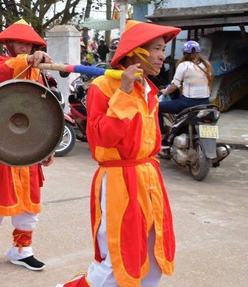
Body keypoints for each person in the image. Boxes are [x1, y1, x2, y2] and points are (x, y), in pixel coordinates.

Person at [58, 20, 179, 287]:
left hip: (149, 178)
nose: (163, 56)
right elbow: (102, 138)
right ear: (137, 52)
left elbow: (153, 141)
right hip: (119, 181)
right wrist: (123, 92)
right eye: (157, 48)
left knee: (152, 256)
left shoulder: (149, 89)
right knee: (117, 261)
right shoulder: (104, 86)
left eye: (163, 49)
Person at [0, 19, 54, 271]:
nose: (24, 47)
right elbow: (2, 74)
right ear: (8, 43)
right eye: (20, 42)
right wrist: (27, 61)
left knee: (29, 202)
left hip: (28, 146)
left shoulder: (36, 71)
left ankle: (22, 250)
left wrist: (46, 147)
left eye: (29, 44)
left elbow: (40, 111)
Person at [159, 40, 212, 116]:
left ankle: (159, 128)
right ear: (198, 52)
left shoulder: (184, 65)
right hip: (206, 102)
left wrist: (165, 92)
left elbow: (174, 86)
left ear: (184, 53)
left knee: (157, 107)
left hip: (188, 103)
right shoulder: (206, 64)